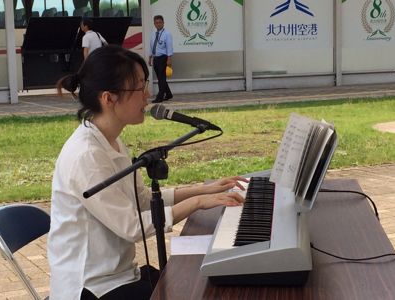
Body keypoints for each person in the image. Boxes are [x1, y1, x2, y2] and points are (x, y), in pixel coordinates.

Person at [48, 45, 247, 300]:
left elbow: (142, 200)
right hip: (91, 288)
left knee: (196, 283)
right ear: (108, 98)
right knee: (192, 288)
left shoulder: (110, 140)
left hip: (118, 276)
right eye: (139, 87)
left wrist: (205, 189)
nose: (148, 95)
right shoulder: (87, 155)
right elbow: (132, 226)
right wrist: (198, 203)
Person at [149, 15, 173, 103]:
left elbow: (169, 46)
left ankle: (160, 96)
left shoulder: (167, 34)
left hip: (163, 58)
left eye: (160, 22)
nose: (158, 24)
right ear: (154, 24)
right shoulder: (153, 34)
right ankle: (169, 94)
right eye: (156, 23)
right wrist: (150, 57)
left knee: (162, 78)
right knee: (160, 78)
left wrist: (169, 59)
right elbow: (151, 46)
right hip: (156, 58)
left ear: (163, 23)